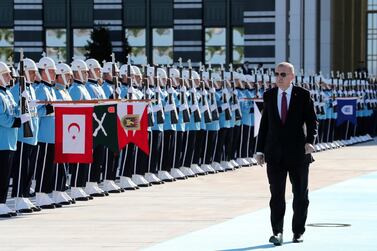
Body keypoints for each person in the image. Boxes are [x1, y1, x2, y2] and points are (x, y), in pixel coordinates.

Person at [255, 62, 318, 245]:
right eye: (276, 74)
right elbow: (264, 125)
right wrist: (259, 150)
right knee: (276, 196)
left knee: (300, 195)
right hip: (274, 154)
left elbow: (312, 122)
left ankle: (297, 231)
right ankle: (278, 232)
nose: (279, 78)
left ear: (292, 76)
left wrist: (310, 142)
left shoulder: (303, 95)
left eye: (283, 74)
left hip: (298, 153)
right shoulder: (269, 95)